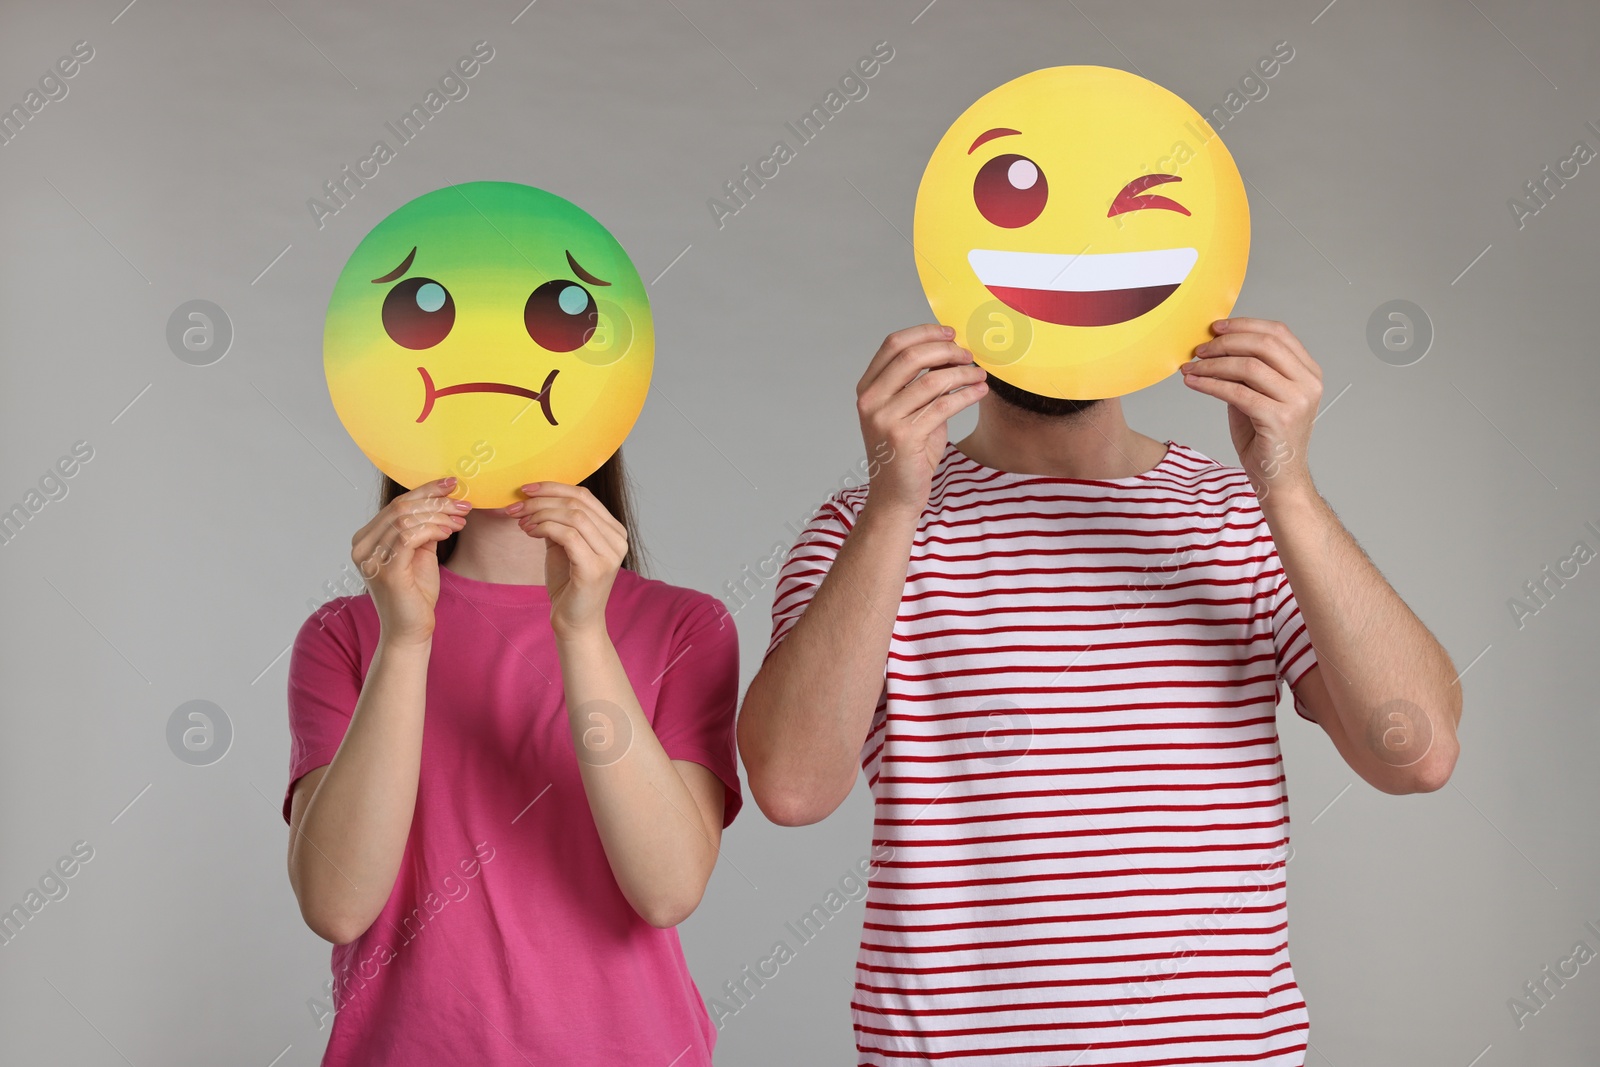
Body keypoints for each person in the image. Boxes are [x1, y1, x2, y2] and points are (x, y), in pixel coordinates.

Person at [737, 319, 1462, 1065]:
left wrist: (1291, 491)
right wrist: (893, 504)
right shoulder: (859, 528)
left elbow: (1417, 754)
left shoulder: (1244, 520)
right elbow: (793, 787)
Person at [282, 453, 741, 1066]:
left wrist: (581, 633)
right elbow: (338, 906)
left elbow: (668, 890)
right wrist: (405, 639)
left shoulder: (684, 625)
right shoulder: (345, 634)